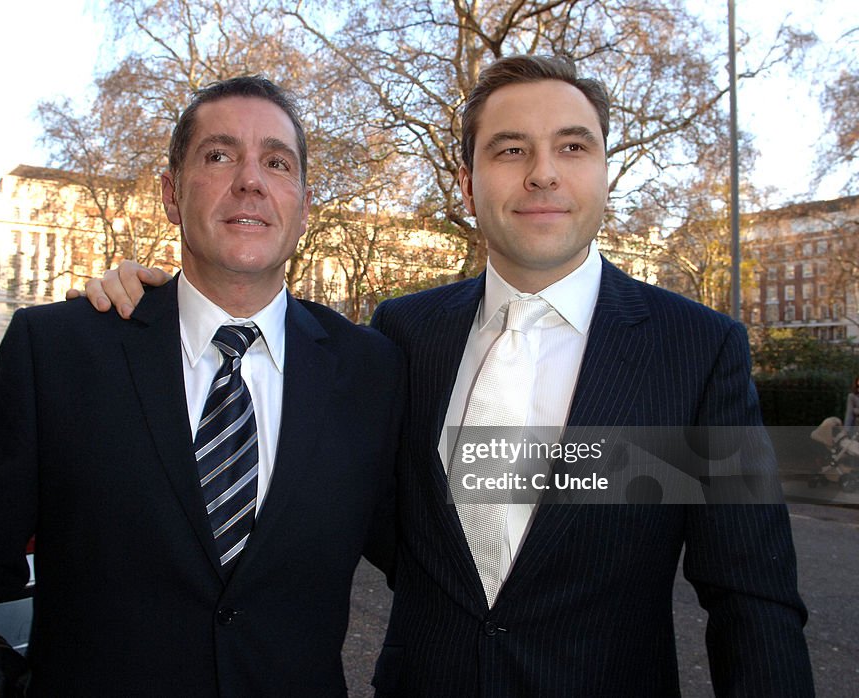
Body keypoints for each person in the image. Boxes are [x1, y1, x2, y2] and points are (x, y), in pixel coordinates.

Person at [83, 56, 813, 696]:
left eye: (572, 146)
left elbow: (753, 599)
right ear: (467, 184)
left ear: (603, 172)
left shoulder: (699, 349)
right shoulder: (401, 337)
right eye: (509, 149)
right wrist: (158, 305)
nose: (543, 172)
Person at [0, 76, 404, 697]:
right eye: (219, 155)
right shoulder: (62, 353)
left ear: (304, 204)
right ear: (171, 195)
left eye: (276, 162)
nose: (250, 180)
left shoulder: (370, 370)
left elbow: (438, 555)